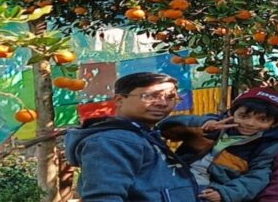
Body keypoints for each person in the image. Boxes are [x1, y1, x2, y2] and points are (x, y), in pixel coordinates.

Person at [64, 71, 199, 202]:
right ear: (119, 100)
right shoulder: (112, 141)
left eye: (170, 97)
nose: (163, 103)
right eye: (150, 96)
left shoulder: (144, 135)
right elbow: (104, 197)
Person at [159, 86, 278, 202]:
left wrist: (226, 193)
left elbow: (258, 176)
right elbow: (165, 128)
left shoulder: (267, 146)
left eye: (263, 119)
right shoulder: (214, 124)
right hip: (176, 175)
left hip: (211, 189)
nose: (250, 123)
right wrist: (202, 124)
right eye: (243, 116)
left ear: (275, 123)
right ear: (231, 113)